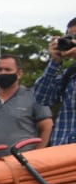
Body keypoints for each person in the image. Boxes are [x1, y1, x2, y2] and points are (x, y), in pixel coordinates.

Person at [32, 18, 76, 146]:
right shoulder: (70, 74)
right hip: (62, 151)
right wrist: (55, 62)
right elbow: (42, 98)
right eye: (70, 37)